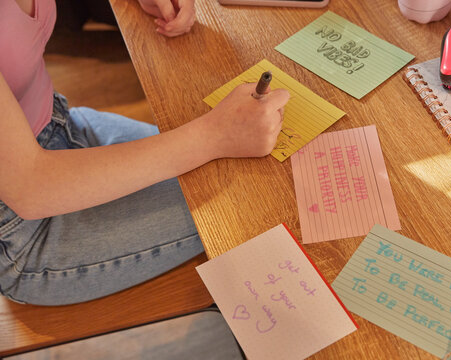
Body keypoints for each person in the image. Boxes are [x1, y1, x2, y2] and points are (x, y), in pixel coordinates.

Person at [0, 0, 289, 306]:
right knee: (255, 197)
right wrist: (215, 134)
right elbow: (31, 188)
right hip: (24, 233)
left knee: (249, 175)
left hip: (61, 125)